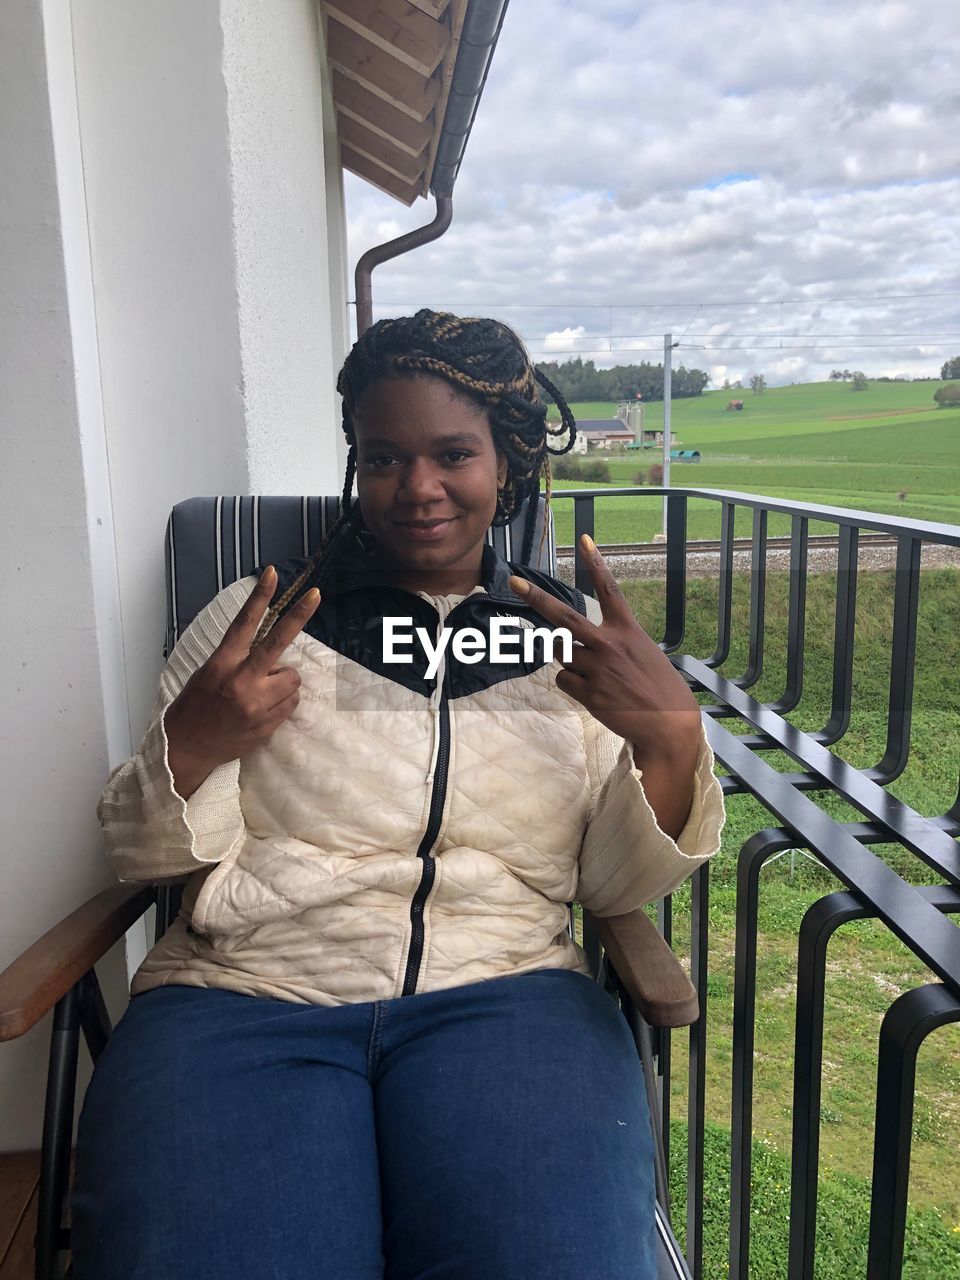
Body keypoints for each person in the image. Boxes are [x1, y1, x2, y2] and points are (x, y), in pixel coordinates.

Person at [71, 310, 726, 1279]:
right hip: (246, 996)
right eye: (384, 457)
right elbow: (146, 855)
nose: (417, 487)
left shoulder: (567, 641)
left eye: (452, 453)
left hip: (509, 996)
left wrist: (670, 740)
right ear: (356, 465)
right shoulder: (258, 621)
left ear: (505, 462)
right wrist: (195, 743)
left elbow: (607, 884)